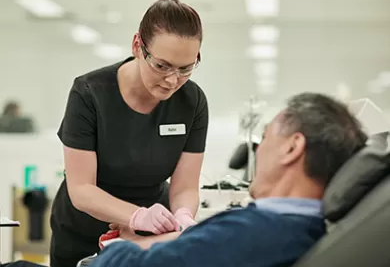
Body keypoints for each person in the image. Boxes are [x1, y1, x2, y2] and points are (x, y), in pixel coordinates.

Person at [88, 92, 368, 267]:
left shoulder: (258, 233)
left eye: (267, 134)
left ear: (292, 148)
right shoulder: (296, 228)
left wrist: (118, 248)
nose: (258, 149)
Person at [50, 0, 208, 267]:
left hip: (147, 235)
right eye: (162, 65)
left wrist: (182, 217)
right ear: (137, 46)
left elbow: (184, 186)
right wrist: (136, 216)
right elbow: (82, 189)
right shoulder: (90, 94)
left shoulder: (192, 102)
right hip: (82, 231)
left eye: (186, 69)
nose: (172, 80)